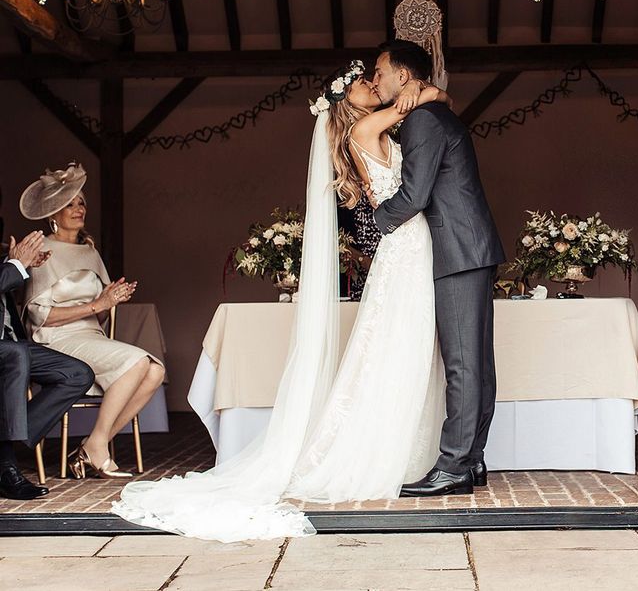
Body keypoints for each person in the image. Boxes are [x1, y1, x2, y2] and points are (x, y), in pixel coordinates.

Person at [111, 59, 453, 542]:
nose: (370, 84)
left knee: (401, 345)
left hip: (407, 245)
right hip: (407, 244)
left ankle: (405, 446)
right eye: (360, 84)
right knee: (399, 345)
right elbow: (426, 99)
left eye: (370, 77)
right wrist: (426, 90)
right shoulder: (368, 127)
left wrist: (422, 93)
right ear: (345, 106)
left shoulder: (368, 130)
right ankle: (383, 450)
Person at [371, 39, 505, 497]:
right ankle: (471, 461)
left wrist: (373, 221)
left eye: (381, 71)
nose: (376, 80)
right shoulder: (434, 112)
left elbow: (414, 195)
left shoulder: (424, 120)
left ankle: (453, 465)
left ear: (403, 76)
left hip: (459, 252)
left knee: (464, 365)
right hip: (470, 249)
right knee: (476, 363)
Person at [20, 163, 165, 479]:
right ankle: (95, 449)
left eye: (81, 202)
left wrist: (110, 301)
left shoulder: (90, 252)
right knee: (139, 362)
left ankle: (93, 444)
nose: (78, 208)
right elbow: (39, 316)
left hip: (91, 336)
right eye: (70, 204)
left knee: (155, 370)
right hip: (56, 339)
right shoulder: (42, 250)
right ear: (53, 214)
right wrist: (97, 304)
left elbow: (99, 313)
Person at [1, 230, 94, 500]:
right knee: (16, 355)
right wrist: (16, 264)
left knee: (77, 374)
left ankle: (6, 445)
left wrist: (16, 260)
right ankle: (6, 468)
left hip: (11, 343)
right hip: (10, 350)